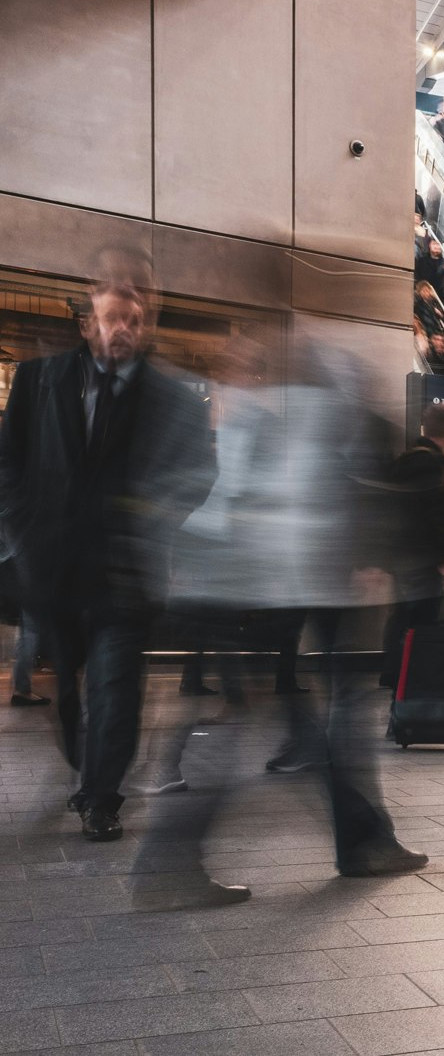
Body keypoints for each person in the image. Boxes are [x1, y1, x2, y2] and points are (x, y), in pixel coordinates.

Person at [0, 244, 217, 842]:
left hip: (128, 574)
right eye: (113, 318)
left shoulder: (174, 397)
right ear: (89, 320)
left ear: (144, 326)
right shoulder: (39, 380)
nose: (123, 329)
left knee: (116, 687)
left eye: (134, 320)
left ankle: (101, 798)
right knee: (69, 686)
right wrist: (21, 525)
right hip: (55, 571)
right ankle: (82, 754)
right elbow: (9, 462)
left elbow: (200, 471)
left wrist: (158, 518)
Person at [377, 403, 444, 688]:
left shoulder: (409, 460)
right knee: (420, 621)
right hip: (422, 561)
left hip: (404, 558)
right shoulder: (431, 464)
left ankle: (395, 675)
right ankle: (409, 680)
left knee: (403, 616)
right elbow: (428, 518)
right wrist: (443, 559)